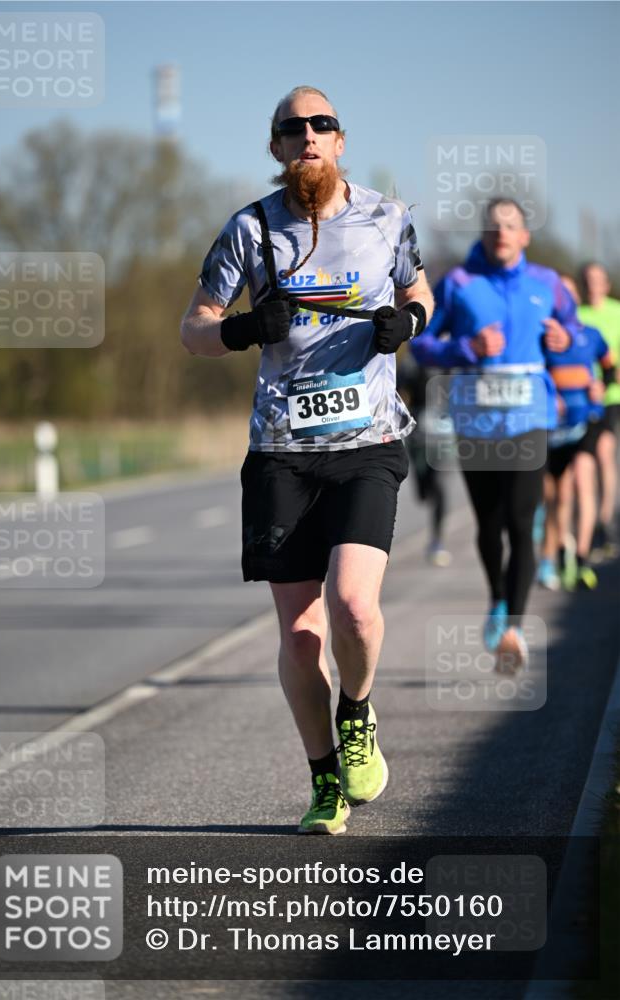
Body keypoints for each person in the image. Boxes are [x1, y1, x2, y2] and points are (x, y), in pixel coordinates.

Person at [181, 86, 433, 835]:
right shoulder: (251, 230)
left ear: (340, 140)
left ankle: (356, 712)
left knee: (354, 606)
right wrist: (242, 329)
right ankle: (325, 779)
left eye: (321, 124)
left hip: (367, 445)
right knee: (299, 635)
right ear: (277, 147)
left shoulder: (387, 217)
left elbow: (421, 291)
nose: (308, 136)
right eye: (293, 129)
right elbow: (192, 328)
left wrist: (406, 321)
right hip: (281, 455)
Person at [410, 199, 575, 670]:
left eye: (510, 225)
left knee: (522, 522)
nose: (500, 232)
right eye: (492, 226)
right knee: (489, 524)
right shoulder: (460, 283)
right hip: (476, 422)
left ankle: (514, 628)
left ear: (525, 235)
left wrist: (567, 341)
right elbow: (422, 344)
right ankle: (498, 598)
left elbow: (578, 334)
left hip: (529, 419)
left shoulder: (547, 284)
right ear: (482, 235)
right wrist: (467, 347)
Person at [539, 274, 616, 591]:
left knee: (584, 480)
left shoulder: (591, 335)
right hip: (554, 427)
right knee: (559, 495)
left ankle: (583, 559)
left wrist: (603, 385)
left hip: (588, 420)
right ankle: (559, 554)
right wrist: (548, 395)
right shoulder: (541, 337)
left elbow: (609, 367)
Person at [577, 262, 620, 558]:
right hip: (581, 397)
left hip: (611, 395)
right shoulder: (577, 316)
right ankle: (589, 522)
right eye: (589, 280)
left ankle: (605, 521)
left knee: (605, 453)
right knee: (583, 464)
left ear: (606, 284)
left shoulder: (616, 313)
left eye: (598, 279)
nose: (594, 284)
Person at [397, 347, 453, 566]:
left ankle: (437, 540)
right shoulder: (412, 358)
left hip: (445, 433)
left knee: (440, 485)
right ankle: (426, 490)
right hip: (419, 435)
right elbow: (399, 390)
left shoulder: (453, 356)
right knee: (424, 492)